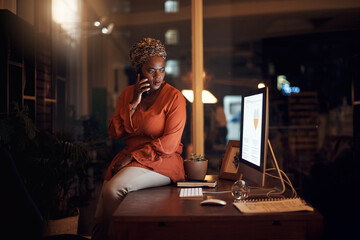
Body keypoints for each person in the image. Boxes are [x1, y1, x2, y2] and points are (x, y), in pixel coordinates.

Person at [91, 38, 187, 240]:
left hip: (163, 160)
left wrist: (133, 157)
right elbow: (115, 132)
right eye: (151, 71)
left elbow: (169, 145)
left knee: (112, 191)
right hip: (132, 159)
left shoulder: (174, 97)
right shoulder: (128, 94)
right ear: (139, 70)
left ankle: (135, 234)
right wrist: (134, 103)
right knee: (100, 220)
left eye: (161, 70)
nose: (157, 76)